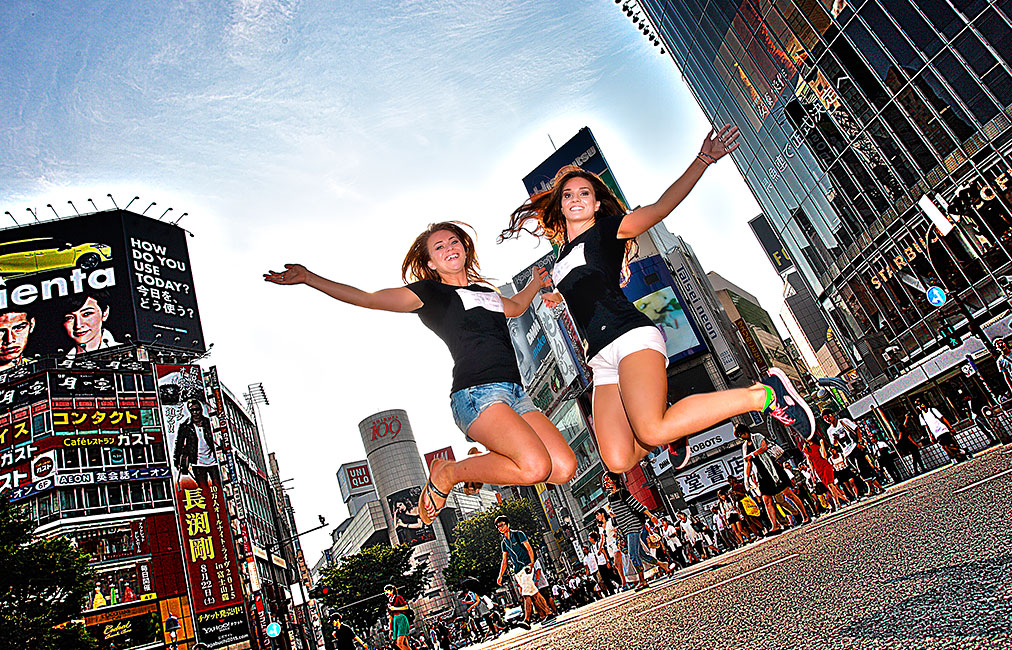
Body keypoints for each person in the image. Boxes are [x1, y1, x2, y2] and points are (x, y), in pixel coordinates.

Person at [499, 130, 815, 477]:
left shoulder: (610, 230)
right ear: (559, 204)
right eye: (569, 194)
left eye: (584, 193)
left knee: (650, 429)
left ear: (597, 203)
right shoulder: (562, 256)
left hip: (630, 336)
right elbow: (586, 286)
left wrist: (703, 160)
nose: (576, 198)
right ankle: (671, 429)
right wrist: (554, 294)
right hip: (600, 358)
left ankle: (764, 395)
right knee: (617, 459)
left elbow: (661, 207)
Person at [265, 222, 576, 524]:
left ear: (464, 248)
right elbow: (368, 298)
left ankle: (458, 470)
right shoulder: (430, 293)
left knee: (562, 467)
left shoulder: (486, 292)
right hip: (477, 394)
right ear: (430, 261)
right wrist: (309, 278)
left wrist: (535, 282)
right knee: (534, 467)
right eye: (439, 247)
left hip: (516, 394)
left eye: (454, 241)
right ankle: (447, 472)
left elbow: (518, 306)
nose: (449, 248)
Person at [735, 424, 809, 533]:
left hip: (773, 469)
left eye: (740, 435)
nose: (741, 437)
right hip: (762, 474)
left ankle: (805, 515)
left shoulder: (757, 436)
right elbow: (748, 463)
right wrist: (746, 478)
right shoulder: (745, 446)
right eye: (739, 436)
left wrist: (753, 454)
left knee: (788, 493)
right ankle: (775, 525)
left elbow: (764, 447)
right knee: (767, 500)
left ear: (745, 432)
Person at [602, 472, 669, 590]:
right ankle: (663, 565)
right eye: (605, 480)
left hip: (633, 525)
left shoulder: (623, 492)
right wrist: (614, 518)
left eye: (608, 479)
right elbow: (617, 515)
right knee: (641, 554)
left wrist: (650, 515)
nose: (606, 482)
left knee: (633, 554)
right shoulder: (610, 498)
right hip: (624, 529)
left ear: (615, 480)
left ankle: (642, 580)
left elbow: (637, 505)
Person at [494, 515, 553, 624]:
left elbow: (529, 549)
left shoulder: (518, 534)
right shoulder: (504, 543)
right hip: (517, 571)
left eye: (502, 525)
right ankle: (549, 613)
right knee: (534, 594)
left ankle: (526, 620)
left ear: (507, 524)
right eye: (498, 527)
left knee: (526, 594)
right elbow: (505, 560)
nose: (500, 528)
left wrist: (531, 564)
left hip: (526, 566)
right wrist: (500, 575)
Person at [823, 410, 882, 495]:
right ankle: (878, 487)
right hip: (847, 452)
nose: (827, 419)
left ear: (832, 414)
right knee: (860, 470)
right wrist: (835, 440)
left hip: (854, 447)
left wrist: (860, 442)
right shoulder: (830, 430)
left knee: (861, 468)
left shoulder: (843, 421)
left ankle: (871, 488)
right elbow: (834, 444)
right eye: (825, 419)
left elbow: (856, 429)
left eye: (828, 416)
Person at [59, 292, 119, 359]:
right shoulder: (62, 363)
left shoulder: (127, 354)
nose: (78, 325)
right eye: (70, 318)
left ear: (105, 313)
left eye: (86, 314)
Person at [172, 399, 219, 485]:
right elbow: (179, 444)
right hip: (197, 463)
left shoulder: (209, 423)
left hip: (214, 462)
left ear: (201, 410)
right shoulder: (185, 426)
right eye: (192, 410)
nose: (195, 412)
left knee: (218, 485)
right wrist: (176, 461)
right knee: (203, 489)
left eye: (197, 409)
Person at [915, 399, 970, 463]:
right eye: (918, 405)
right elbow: (926, 426)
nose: (920, 406)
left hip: (943, 429)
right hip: (936, 433)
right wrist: (930, 436)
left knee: (950, 445)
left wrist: (950, 427)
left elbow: (942, 418)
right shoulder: (921, 416)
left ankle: (956, 457)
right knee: (944, 447)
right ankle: (961, 452)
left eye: (921, 404)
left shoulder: (932, 410)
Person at [384, 585, 411, 650]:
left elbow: (406, 607)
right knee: (404, 644)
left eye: (387, 590)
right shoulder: (389, 604)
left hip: (401, 619)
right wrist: (390, 630)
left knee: (399, 644)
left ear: (392, 591)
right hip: (395, 622)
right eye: (385, 591)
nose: (386, 593)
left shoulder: (398, 598)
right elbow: (391, 617)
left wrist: (395, 608)